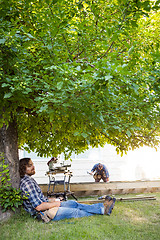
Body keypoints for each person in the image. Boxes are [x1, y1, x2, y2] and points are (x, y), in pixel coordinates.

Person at [19, 158, 115, 223]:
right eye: (30, 166)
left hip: (48, 206)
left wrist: (53, 199)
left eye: (33, 164)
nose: (33, 167)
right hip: (45, 213)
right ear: (24, 168)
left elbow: (39, 199)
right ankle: (102, 210)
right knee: (76, 212)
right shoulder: (28, 183)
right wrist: (55, 204)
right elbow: (38, 207)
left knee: (73, 203)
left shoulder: (29, 180)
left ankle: (102, 207)